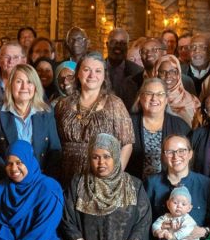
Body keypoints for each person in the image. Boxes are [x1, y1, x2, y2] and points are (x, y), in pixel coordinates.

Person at [54, 52, 134, 185]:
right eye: (86, 70)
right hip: (66, 174)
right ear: (78, 73)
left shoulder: (115, 104)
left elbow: (127, 144)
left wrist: (114, 175)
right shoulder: (63, 104)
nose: (92, 75)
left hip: (101, 175)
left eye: (98, 71)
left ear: (104, 76)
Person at [0, 63, 61, 182]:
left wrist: (43, 180)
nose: (24, 87)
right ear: (10, 85)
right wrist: (13, 172)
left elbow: (55, 150)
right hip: (6, 180)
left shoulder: (46, 112)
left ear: (35, 87)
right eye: (19, 81)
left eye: (29, 82)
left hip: (39, 180)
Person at [126, 77, 190, 180]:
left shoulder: (180, 126)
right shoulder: (127, 123)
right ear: (141, 98)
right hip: (134, 185)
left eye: (160, 94)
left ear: (166, 100)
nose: (154, 98)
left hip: (169, 187)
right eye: (149, 93)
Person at [156, 54, 200, 125]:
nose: (168, 75)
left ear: (178, 74)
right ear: (157, 74)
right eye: (163, 72)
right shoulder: (151, 100)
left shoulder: (193, 102)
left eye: (173, 71)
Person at [106, 28, 143, 106]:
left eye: (122, 43)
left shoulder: (138, 72)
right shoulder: (97, 69)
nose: (118, 46)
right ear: (107, 44)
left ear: (127, 46)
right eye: (114, 42)